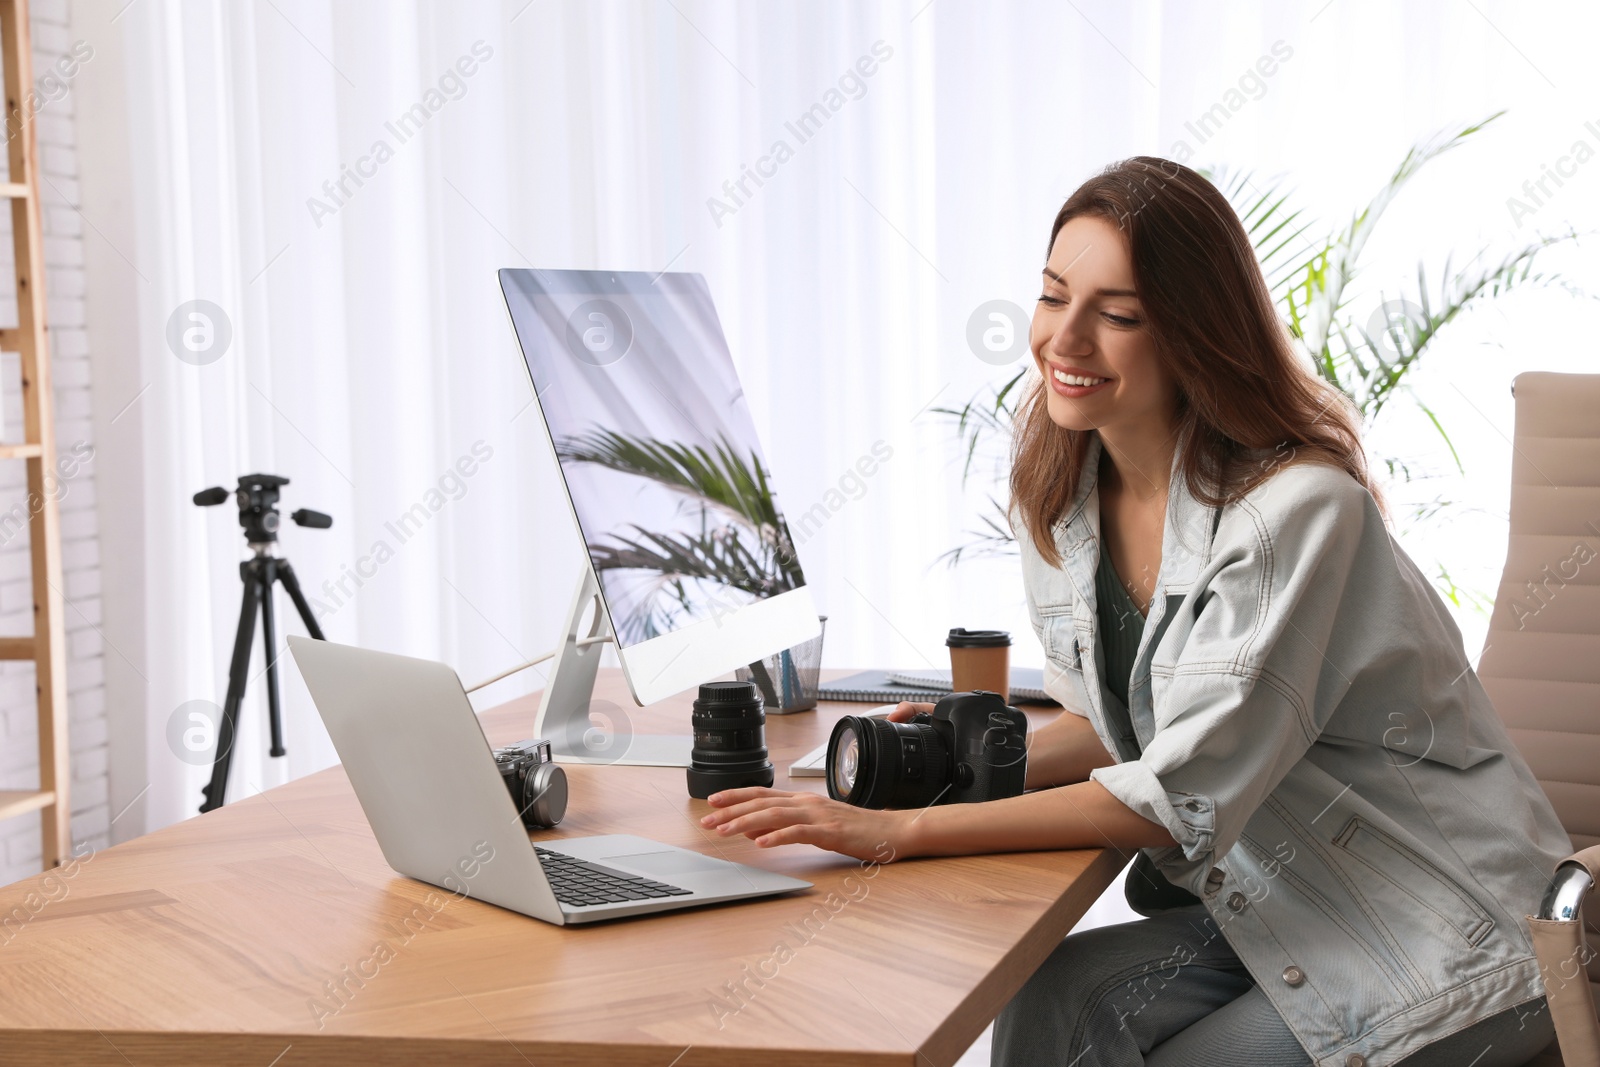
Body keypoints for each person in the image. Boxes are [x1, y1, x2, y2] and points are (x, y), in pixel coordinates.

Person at [698, 157, 1569, 1066]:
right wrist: (956, 767)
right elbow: (1110, 727)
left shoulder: (1298, 513)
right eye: (1051, 297)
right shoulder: (1064, 486)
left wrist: (900, 832)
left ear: (1197, 335)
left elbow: (1172, 798)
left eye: (1118, 316)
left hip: (1450, 937)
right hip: (1279, 901)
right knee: (1053, 996)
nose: (1064, 340)